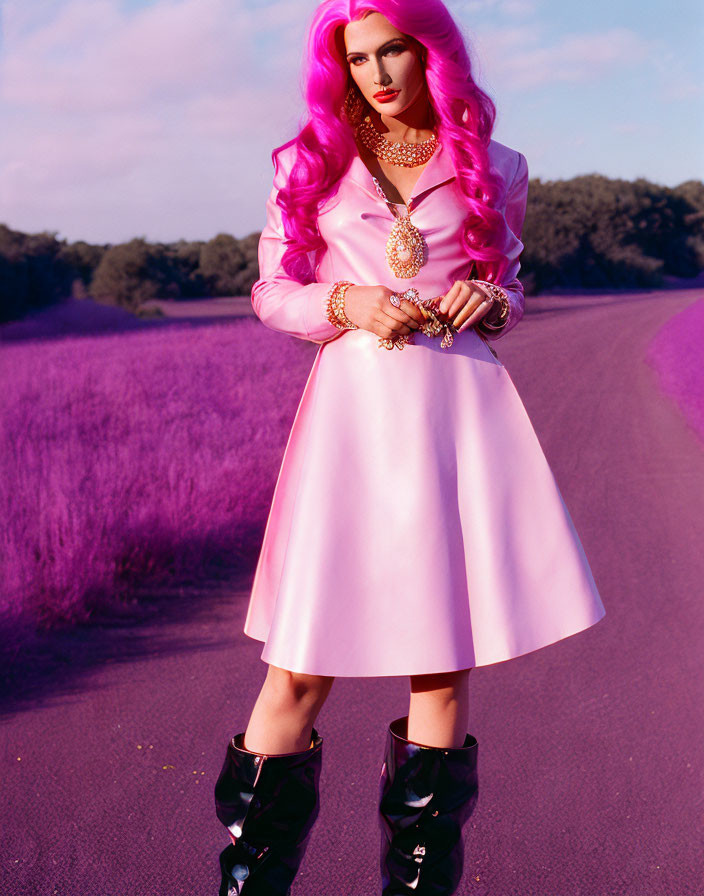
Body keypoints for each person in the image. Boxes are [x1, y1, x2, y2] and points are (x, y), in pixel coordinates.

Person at [213, 2, 606, 894]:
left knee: (440, 664)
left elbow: (504, 280)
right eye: (359, 60)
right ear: (340, 69)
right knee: (299, 670)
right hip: (352, 419)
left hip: (454, 407)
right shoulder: (305, 165)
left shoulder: (497, 167)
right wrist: (345, 304)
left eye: (395, 50)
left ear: (431, 53)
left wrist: (490, 302)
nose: (379, 74)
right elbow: (273, 290)